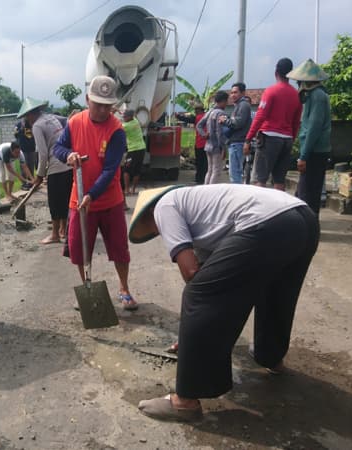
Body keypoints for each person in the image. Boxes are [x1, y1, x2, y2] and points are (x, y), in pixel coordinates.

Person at [128, 184, 319, 421]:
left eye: (154, 231)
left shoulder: (164, 206)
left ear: (148, 215)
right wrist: (192, 335)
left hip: (267, 224)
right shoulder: (201, 208)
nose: (159, 233)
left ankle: (185, 401)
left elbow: (192, 275)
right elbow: (213, 274)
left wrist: (196, 330)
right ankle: (270, 356)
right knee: (275, 289)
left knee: (198, 295)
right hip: (303, 219)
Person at [53, 75, 138, 311]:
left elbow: (111, 170)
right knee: (79, 249)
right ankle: (87, 288)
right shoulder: (74, 123)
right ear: (87, 99)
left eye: (107, 106)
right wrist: (67, 155)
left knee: (119, 248)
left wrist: (91, 194)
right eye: (97, 104)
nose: (102, 110)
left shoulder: (116, 131)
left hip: (108, 200)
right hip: (78, 200)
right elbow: (57, 147)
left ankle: (124, 288)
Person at [18, 99, 73, 244]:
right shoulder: (51, 118)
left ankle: (55, 234)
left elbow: (42, 153)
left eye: (26, 117)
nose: (26, 120)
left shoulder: (37, 125)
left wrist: (39, 176)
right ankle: (64, 229)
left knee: (55, 202)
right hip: (68, 162)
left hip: (56, 166)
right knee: (65, 199)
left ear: (30, 114)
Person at [243, 58, 303, 190]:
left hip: (269, 138)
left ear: (276, 72)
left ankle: (259, 210)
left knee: (260, 180)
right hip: (287, 139)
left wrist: (248, 139)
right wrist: (291, 139)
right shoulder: (296, 95)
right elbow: (296, 122)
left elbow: (260, 116)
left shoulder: (271, 91)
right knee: (279, 181)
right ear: (290, 74)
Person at [287, 59, 332, 215]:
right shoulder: (314, 95)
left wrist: (304, 156)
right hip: (313, 150)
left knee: (308, 194)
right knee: (305, 192)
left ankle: (309, 227)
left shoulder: (318, 96)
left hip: (314, 152)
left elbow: (314, 127)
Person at [220, 82, 252, 183]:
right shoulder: (239, 105)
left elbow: (238, 123)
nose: (232, 95)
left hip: (238, 143)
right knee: (235, 173)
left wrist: (225, 120)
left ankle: (237, 196)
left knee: (235, 174)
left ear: (242, 93)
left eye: (235, 92)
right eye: (231, 93)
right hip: (235, 143)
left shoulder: (243, 105)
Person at [196, 91, 229, 184]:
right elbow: (219, 132)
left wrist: (204, 134)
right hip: (216, 146)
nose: (226, 104)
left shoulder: (210, 112)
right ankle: (211, 192)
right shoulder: (221, 113)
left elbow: (199, 125)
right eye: (226, 101)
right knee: (216, 171)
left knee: (210, 170)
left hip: (208, 145)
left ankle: (206, 190)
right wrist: (223, 147)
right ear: (223, 101)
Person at [177, 105, 207, 184]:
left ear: (199, 110)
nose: (195, 112)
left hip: (200, 143)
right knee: (205, 163)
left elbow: (187, 119)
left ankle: (199, 179)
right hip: (207, 143)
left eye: (196, 110)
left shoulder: (198, 118)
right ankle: (205, 178)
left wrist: (178, 116)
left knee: (199, 163)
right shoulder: (207, 116)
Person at [121, 109, 146, 195]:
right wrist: (118, 110)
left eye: (125, 117)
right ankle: (133, 189)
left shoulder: (126, 126)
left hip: (133, 150)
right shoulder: (135, 121)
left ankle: (127, 189)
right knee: (137, 171)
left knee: (126, 170)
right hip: (142, 148)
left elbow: (115, 125)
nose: (123, 118)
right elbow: (124, 114)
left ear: (130, 117)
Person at [15, 105, 37, 189]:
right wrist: (21, 130)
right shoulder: (19, 125)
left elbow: (30, 136)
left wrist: (27, 129)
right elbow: (16, 135)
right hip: (22, 149)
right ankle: (24, 183)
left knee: (30, 165)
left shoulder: (32, 125)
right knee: (23, 166)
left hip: (31, 148)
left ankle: (31, 183)